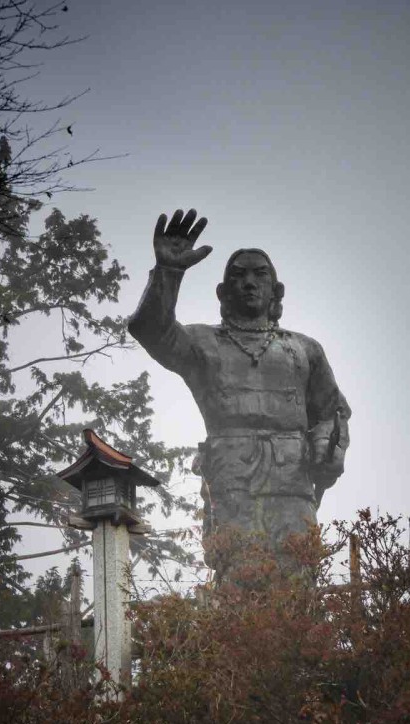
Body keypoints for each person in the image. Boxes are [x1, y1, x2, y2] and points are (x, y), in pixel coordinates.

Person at [128, 209, 350, 573]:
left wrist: (329, 448)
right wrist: (169, 272)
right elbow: (150, 330)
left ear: (275, 290)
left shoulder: (304, 349)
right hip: (231, 475)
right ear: (222, 290)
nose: (249, 282)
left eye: (259, 274)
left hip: (293, 476)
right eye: (238, 275)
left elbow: (332, 413)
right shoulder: (202, 343)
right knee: (238, 572)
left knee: (298, 572)